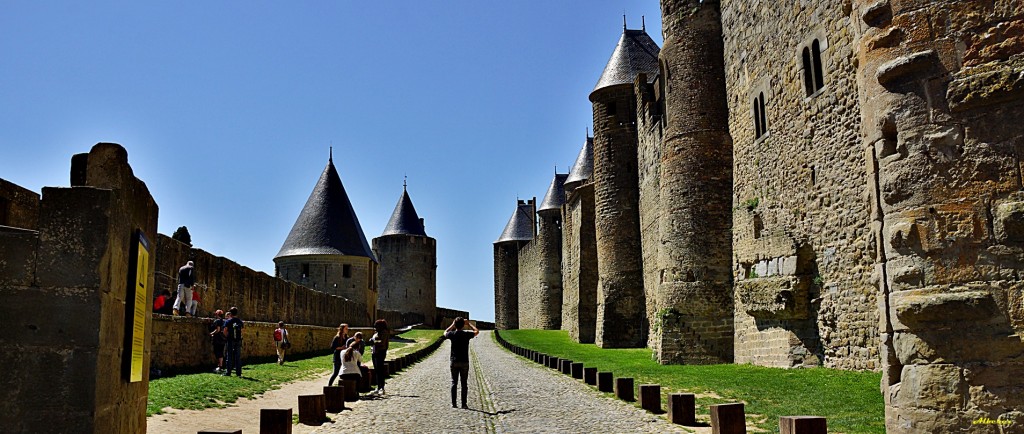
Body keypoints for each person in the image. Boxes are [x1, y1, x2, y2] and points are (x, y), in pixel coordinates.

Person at [444, 317, 479, 409]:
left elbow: (445, 332)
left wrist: (452, 325)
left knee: (454, 382)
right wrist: (469, 324)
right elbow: (476, 331)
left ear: (455, 325)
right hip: (464, 361)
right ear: (463, 325)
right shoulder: (466, 334)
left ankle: (454, 403)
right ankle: (464, 404)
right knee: (464, 383)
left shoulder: (452, 334)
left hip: (454, 361)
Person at [369, 319, 390, 395]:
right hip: (374, 352)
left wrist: (373, 342)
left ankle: (382, 387)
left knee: (380, 370)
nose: (375, 327)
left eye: (376, 325)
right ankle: (378, 387)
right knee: (377, 370)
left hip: (380, 352)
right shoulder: (377, 333)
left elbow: (382, 342)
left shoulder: (384, 332)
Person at [222, 306, 243, 377]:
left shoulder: (228, 321)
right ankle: (238, 372)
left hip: (230, 339)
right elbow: (242, 330)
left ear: (230, 313)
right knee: (238, 356)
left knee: (229, 356)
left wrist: (227, 336)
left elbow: (225, 330)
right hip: (238, 340)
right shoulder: (239, 321)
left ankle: (228, 372)